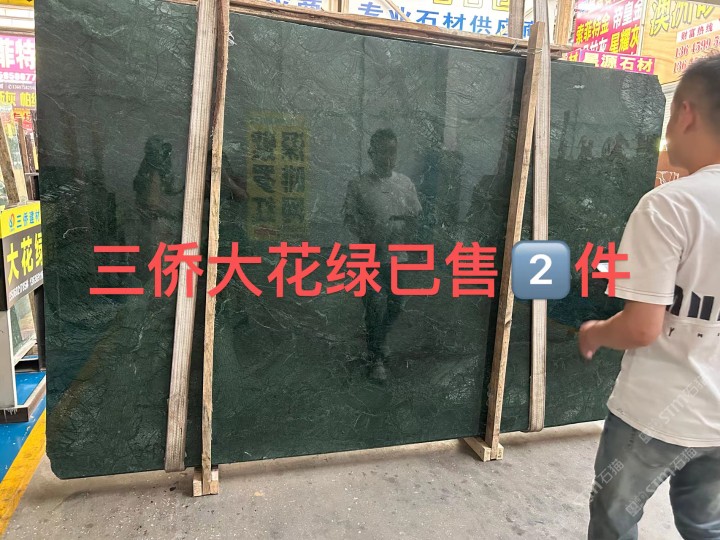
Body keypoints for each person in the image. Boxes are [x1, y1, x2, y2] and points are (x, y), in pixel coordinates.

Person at [578, 55, 720, 539]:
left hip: (653, 413)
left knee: (615, 518)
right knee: (706, 524)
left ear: (686, 113)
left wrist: (595, 332)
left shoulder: (668, 205)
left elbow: (641, 327)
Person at [343, 129, 422, 382]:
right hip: (369, 255)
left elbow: (415, 217)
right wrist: (368, 233)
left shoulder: (405, 184)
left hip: (398, 255)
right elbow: (349, 218)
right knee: (374, 305)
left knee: (397, 303)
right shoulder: (358, 185)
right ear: (371, 153)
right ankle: (376, 358)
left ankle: (380, 338)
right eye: (383, 151)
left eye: (393, 152)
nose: (388, 157)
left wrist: (402, 230)